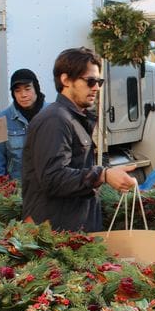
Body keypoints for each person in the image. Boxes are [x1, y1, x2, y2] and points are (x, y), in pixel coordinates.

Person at [21, 48, 137, 232]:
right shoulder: (55, 120)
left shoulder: (74, 118)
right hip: (57, 236)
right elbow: (53, 178)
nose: (96, 88)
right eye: (90, 81)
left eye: (99, 81)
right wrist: (103, 175)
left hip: (73, 231)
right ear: (65, 80)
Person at [0, 69, 46, 181]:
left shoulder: (53, 114)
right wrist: (3, 191)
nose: (23, 95)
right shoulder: (1, 120)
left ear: (36, 89)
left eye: (27, 89)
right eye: (17, 91)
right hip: (18, 189)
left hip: (49, 187)